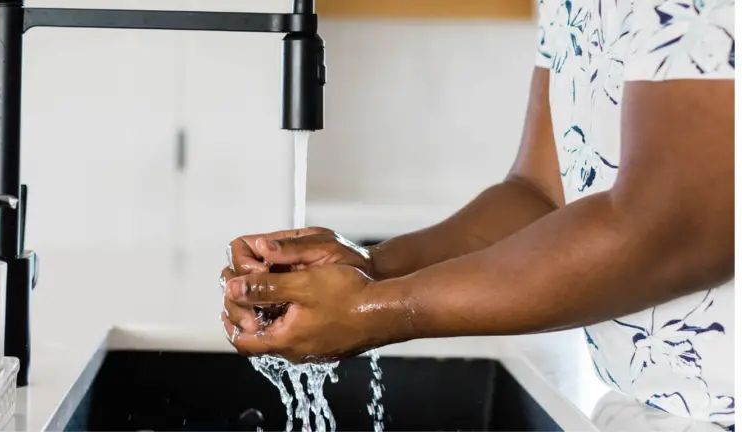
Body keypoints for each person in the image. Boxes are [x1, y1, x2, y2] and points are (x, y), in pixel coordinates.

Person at [221, 0, 735, 427]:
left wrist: (374, 310)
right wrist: (369, 267)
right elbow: (540, 196)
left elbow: (673, 230)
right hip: (641, 406)